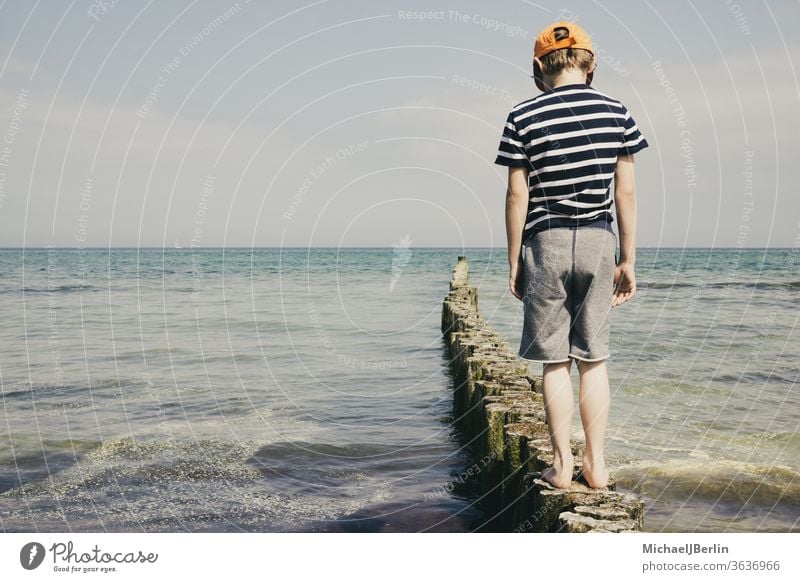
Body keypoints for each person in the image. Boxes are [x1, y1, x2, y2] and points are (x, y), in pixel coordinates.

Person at [494, 21, 649, 489]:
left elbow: (516, 196)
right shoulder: (616, 111)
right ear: (591, 63)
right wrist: (629, 257)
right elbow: (626, 191)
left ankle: (561, 466)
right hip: (601, 241)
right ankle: (596, 465)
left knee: (555, 361)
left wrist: (514, 260)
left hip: (547, 241)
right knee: (594, 359)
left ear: (539, 67)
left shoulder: (522, 115)